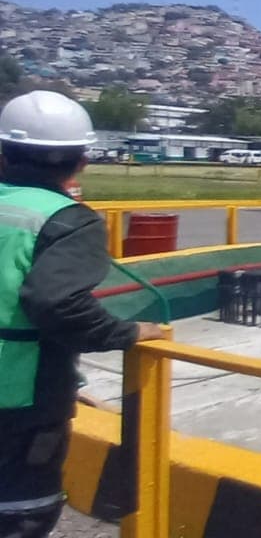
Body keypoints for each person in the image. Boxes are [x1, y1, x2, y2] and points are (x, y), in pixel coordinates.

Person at [0, 91, 163, 537]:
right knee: (21, 510)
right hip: (19, 397)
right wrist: (126, 332)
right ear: (82, 162)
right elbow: (58, 304)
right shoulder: (68, 220)